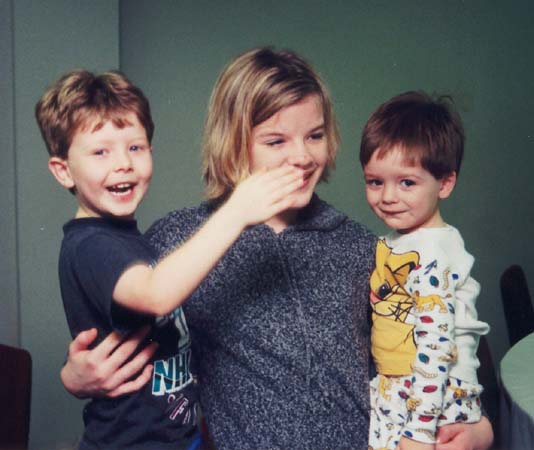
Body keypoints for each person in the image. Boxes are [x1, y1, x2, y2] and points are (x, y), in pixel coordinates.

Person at [60, 49, 494, 450]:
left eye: (315, 136)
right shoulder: (181, 241)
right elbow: (134, 343)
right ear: (234, 142)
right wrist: (76, 377)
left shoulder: (362, 246)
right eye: (276, 141)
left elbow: (431, 348)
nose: (302, 157)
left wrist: (479, 429)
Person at [35, 69, 304, 450]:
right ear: (64, 171)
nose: (123, 163)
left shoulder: (133, 241)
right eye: (100, 152)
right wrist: (237, 211)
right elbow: (156, 295)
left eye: (135, 147)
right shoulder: (90, 245)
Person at [360, 91, 491, 450]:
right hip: (404, 387)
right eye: (375, 181)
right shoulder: (401, 241)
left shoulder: (432, 252)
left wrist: (418, 431)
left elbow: (437, 343)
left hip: (433, 397)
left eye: (407, 182)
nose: (388, 196)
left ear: (445, 183)